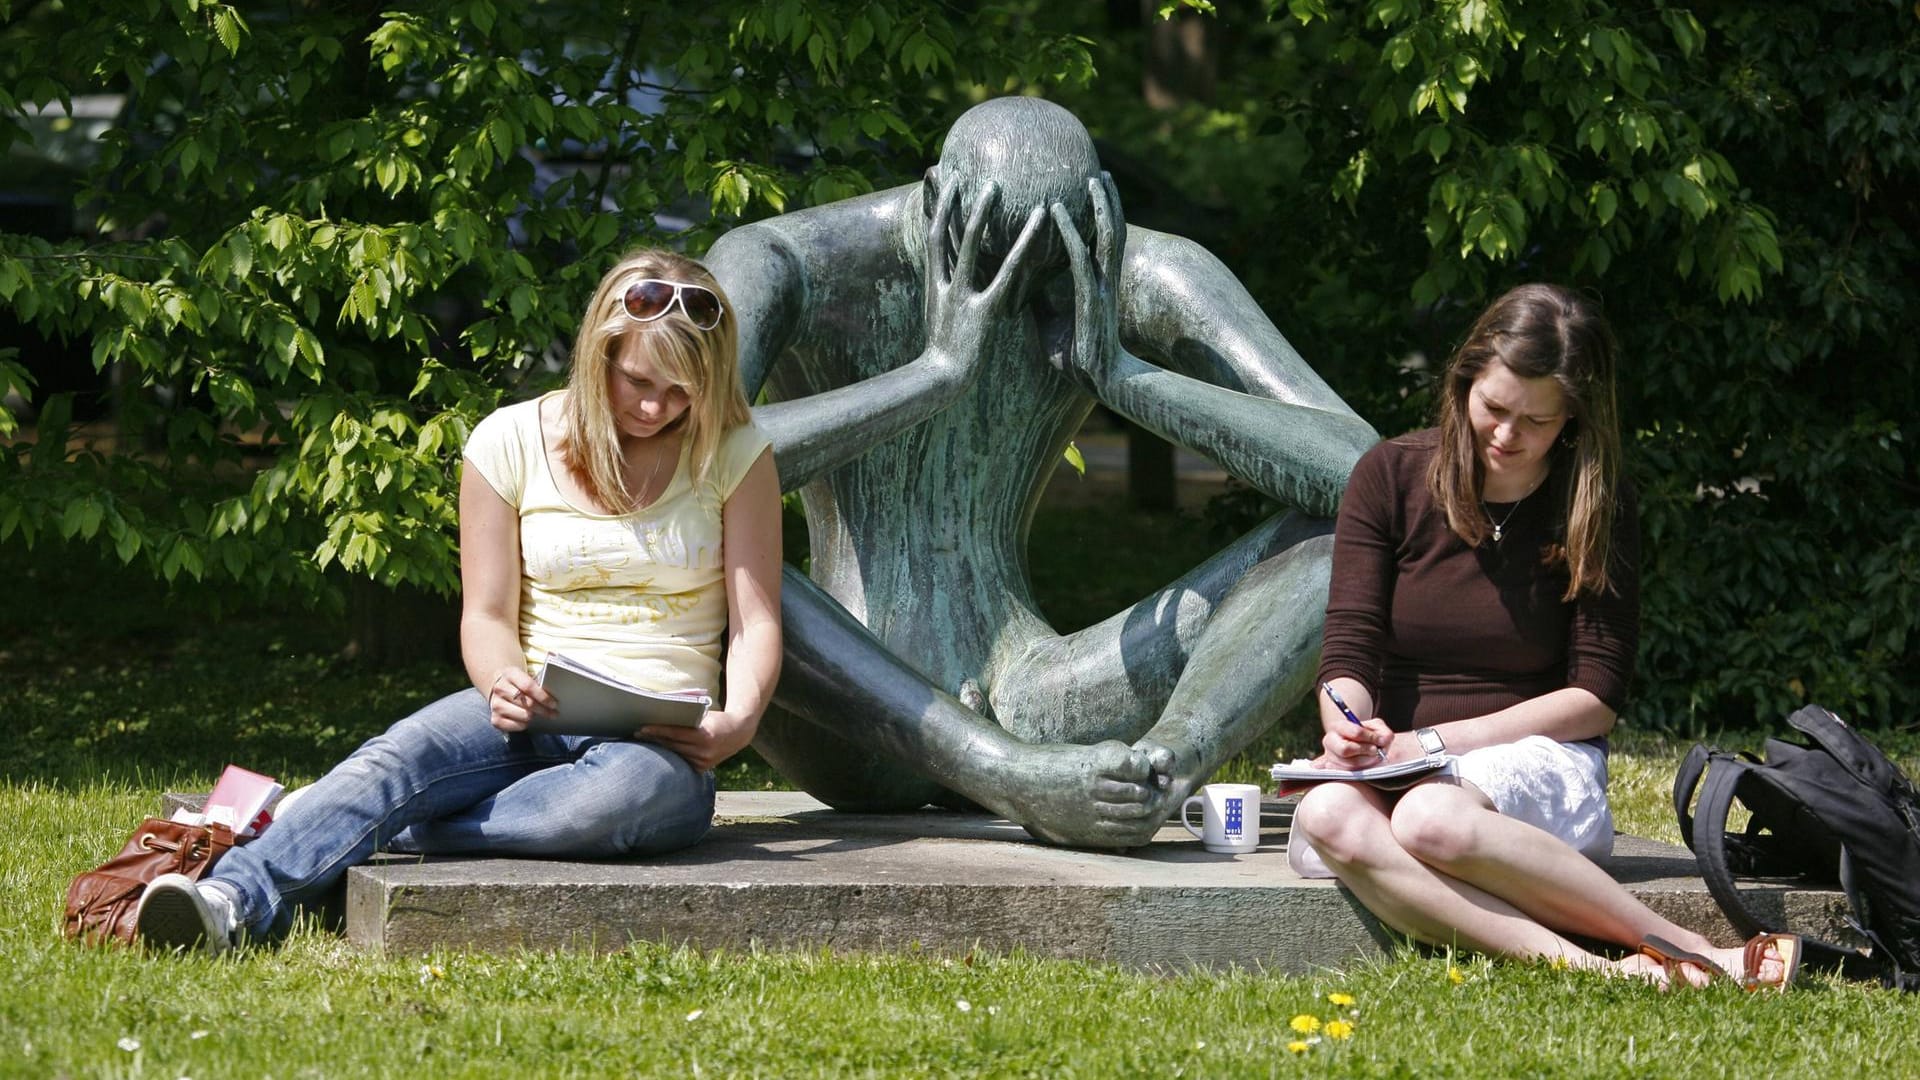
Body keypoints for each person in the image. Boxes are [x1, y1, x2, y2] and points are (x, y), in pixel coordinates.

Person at [704, 96, 1378, 849]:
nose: (1016, 290)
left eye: (1047, 262)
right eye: (992, 256)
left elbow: (1364, 476)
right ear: (936, 200)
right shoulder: (786, 260)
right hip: (845, 707)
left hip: (1028, 688)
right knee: (691, 547)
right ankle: (1014, 778)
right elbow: (670, 470)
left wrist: (1128, 380)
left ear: (1099, 215)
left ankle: (1156, 776)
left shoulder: (1142, 272)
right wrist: (933, 375)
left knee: (1340, 538)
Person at [132, 249, 783, 952]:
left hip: (659, 748)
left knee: (601, 806)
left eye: (682, 391)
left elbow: (755, 621)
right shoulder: (508, 441)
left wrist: (739, 722)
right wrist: (501, 680)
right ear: (600, 353)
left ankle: (336, 819)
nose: (656, 406)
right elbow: (487, 616)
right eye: (638, 381)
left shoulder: (735, 451)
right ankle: (229, 900)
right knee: (402, 755)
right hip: (533, 706)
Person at [1288, 283, 1800, 989]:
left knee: (1432, 819)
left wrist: (1436, 745)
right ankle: (1597, 970)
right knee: (1327, 811)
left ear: (1574, 422)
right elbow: (1348, 645)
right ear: (1463, 383)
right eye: (1493, 408)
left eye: (1535, 421)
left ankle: (1682, 946)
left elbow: (1595, 698)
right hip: (1393, 763)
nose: (1505, 435)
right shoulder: (1390, 475)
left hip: (1530, 758)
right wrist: (1345, 722)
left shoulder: (1595, 501)